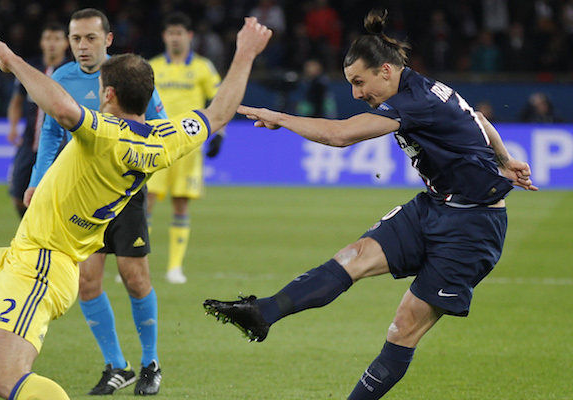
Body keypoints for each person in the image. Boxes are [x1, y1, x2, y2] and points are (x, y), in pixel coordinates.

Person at [0, 16, 272, 400]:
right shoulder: (164, 139)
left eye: (100, 90)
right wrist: (245, 52)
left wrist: (11, 60)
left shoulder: (105, 134)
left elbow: (60, 108)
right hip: (27, 256)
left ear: (110, 95)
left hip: (42, 266)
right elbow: (218, 113)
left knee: (5, 378)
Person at [203, 9, 537, 400]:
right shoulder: (421, 89)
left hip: (473, 229)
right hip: (433, 207)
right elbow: (479, 119)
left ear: (385, 70)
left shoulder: (415, 101)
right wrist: (504, 159)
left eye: (359, 83)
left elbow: (340, 135)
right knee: (355, 255)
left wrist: (279, 116)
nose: (357, 94)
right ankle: (263, 313)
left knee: (404, 325)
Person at [23, 9, 166, 395]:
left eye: (89, 38)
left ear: (108, 40)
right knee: (87, 282)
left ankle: (150, 362)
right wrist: (37, 183)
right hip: (80, 197)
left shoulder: (128, 76)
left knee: (136, 280)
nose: (82, 47)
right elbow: (51, 136)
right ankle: (117, 366)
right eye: (75, 39)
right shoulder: (61, 78)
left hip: (124, 194)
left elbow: (159, 127)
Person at [146, 12, 225, 284]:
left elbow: (218, 101)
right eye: (171, 33)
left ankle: (174, 268)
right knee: (146, 202)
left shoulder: (203, 67)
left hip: (189, 146)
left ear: (189, 36)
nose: (175, 38)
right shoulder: (152, 66)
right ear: (164, 36)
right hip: (157, 143)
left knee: (180, 205)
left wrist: (219, 134)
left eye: (180, 32)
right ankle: (137, 263)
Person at [7, 22, 69, 217]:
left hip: (58, 147)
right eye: (48, 38)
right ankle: (29, 236)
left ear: (65, 43)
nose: (52, 44)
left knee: (56, 200)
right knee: (18, 196)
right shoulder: (30, 68)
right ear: (42, 42)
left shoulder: (71, 71)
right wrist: (13, 127)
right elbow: (16, 101)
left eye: (57, 39)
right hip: (28, 144)